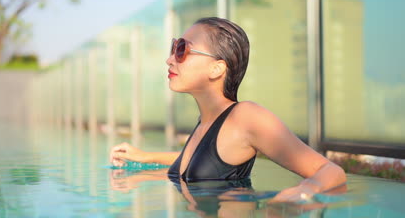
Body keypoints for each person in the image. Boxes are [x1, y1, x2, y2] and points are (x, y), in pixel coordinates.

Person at [110, 17, 346, 202]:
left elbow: (331, 171)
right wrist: (144, 157)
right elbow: (199, 163)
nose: (170, 59)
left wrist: (300, 194)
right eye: (173, 48)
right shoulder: (206, 123)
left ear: (216, 69)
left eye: (182, 49)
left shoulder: (246, 117)